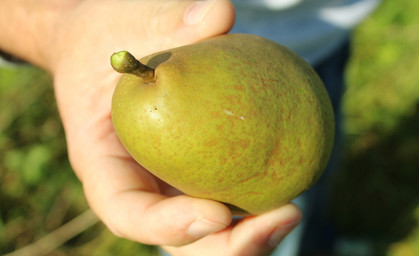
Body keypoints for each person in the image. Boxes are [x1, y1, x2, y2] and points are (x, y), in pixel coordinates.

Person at [0, 0, 380, 255]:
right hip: (252, 59)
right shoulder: (147, 107)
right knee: (271, 234)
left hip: (315, 50)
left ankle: (320, 243)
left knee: (321, 178)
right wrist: (60, 29)